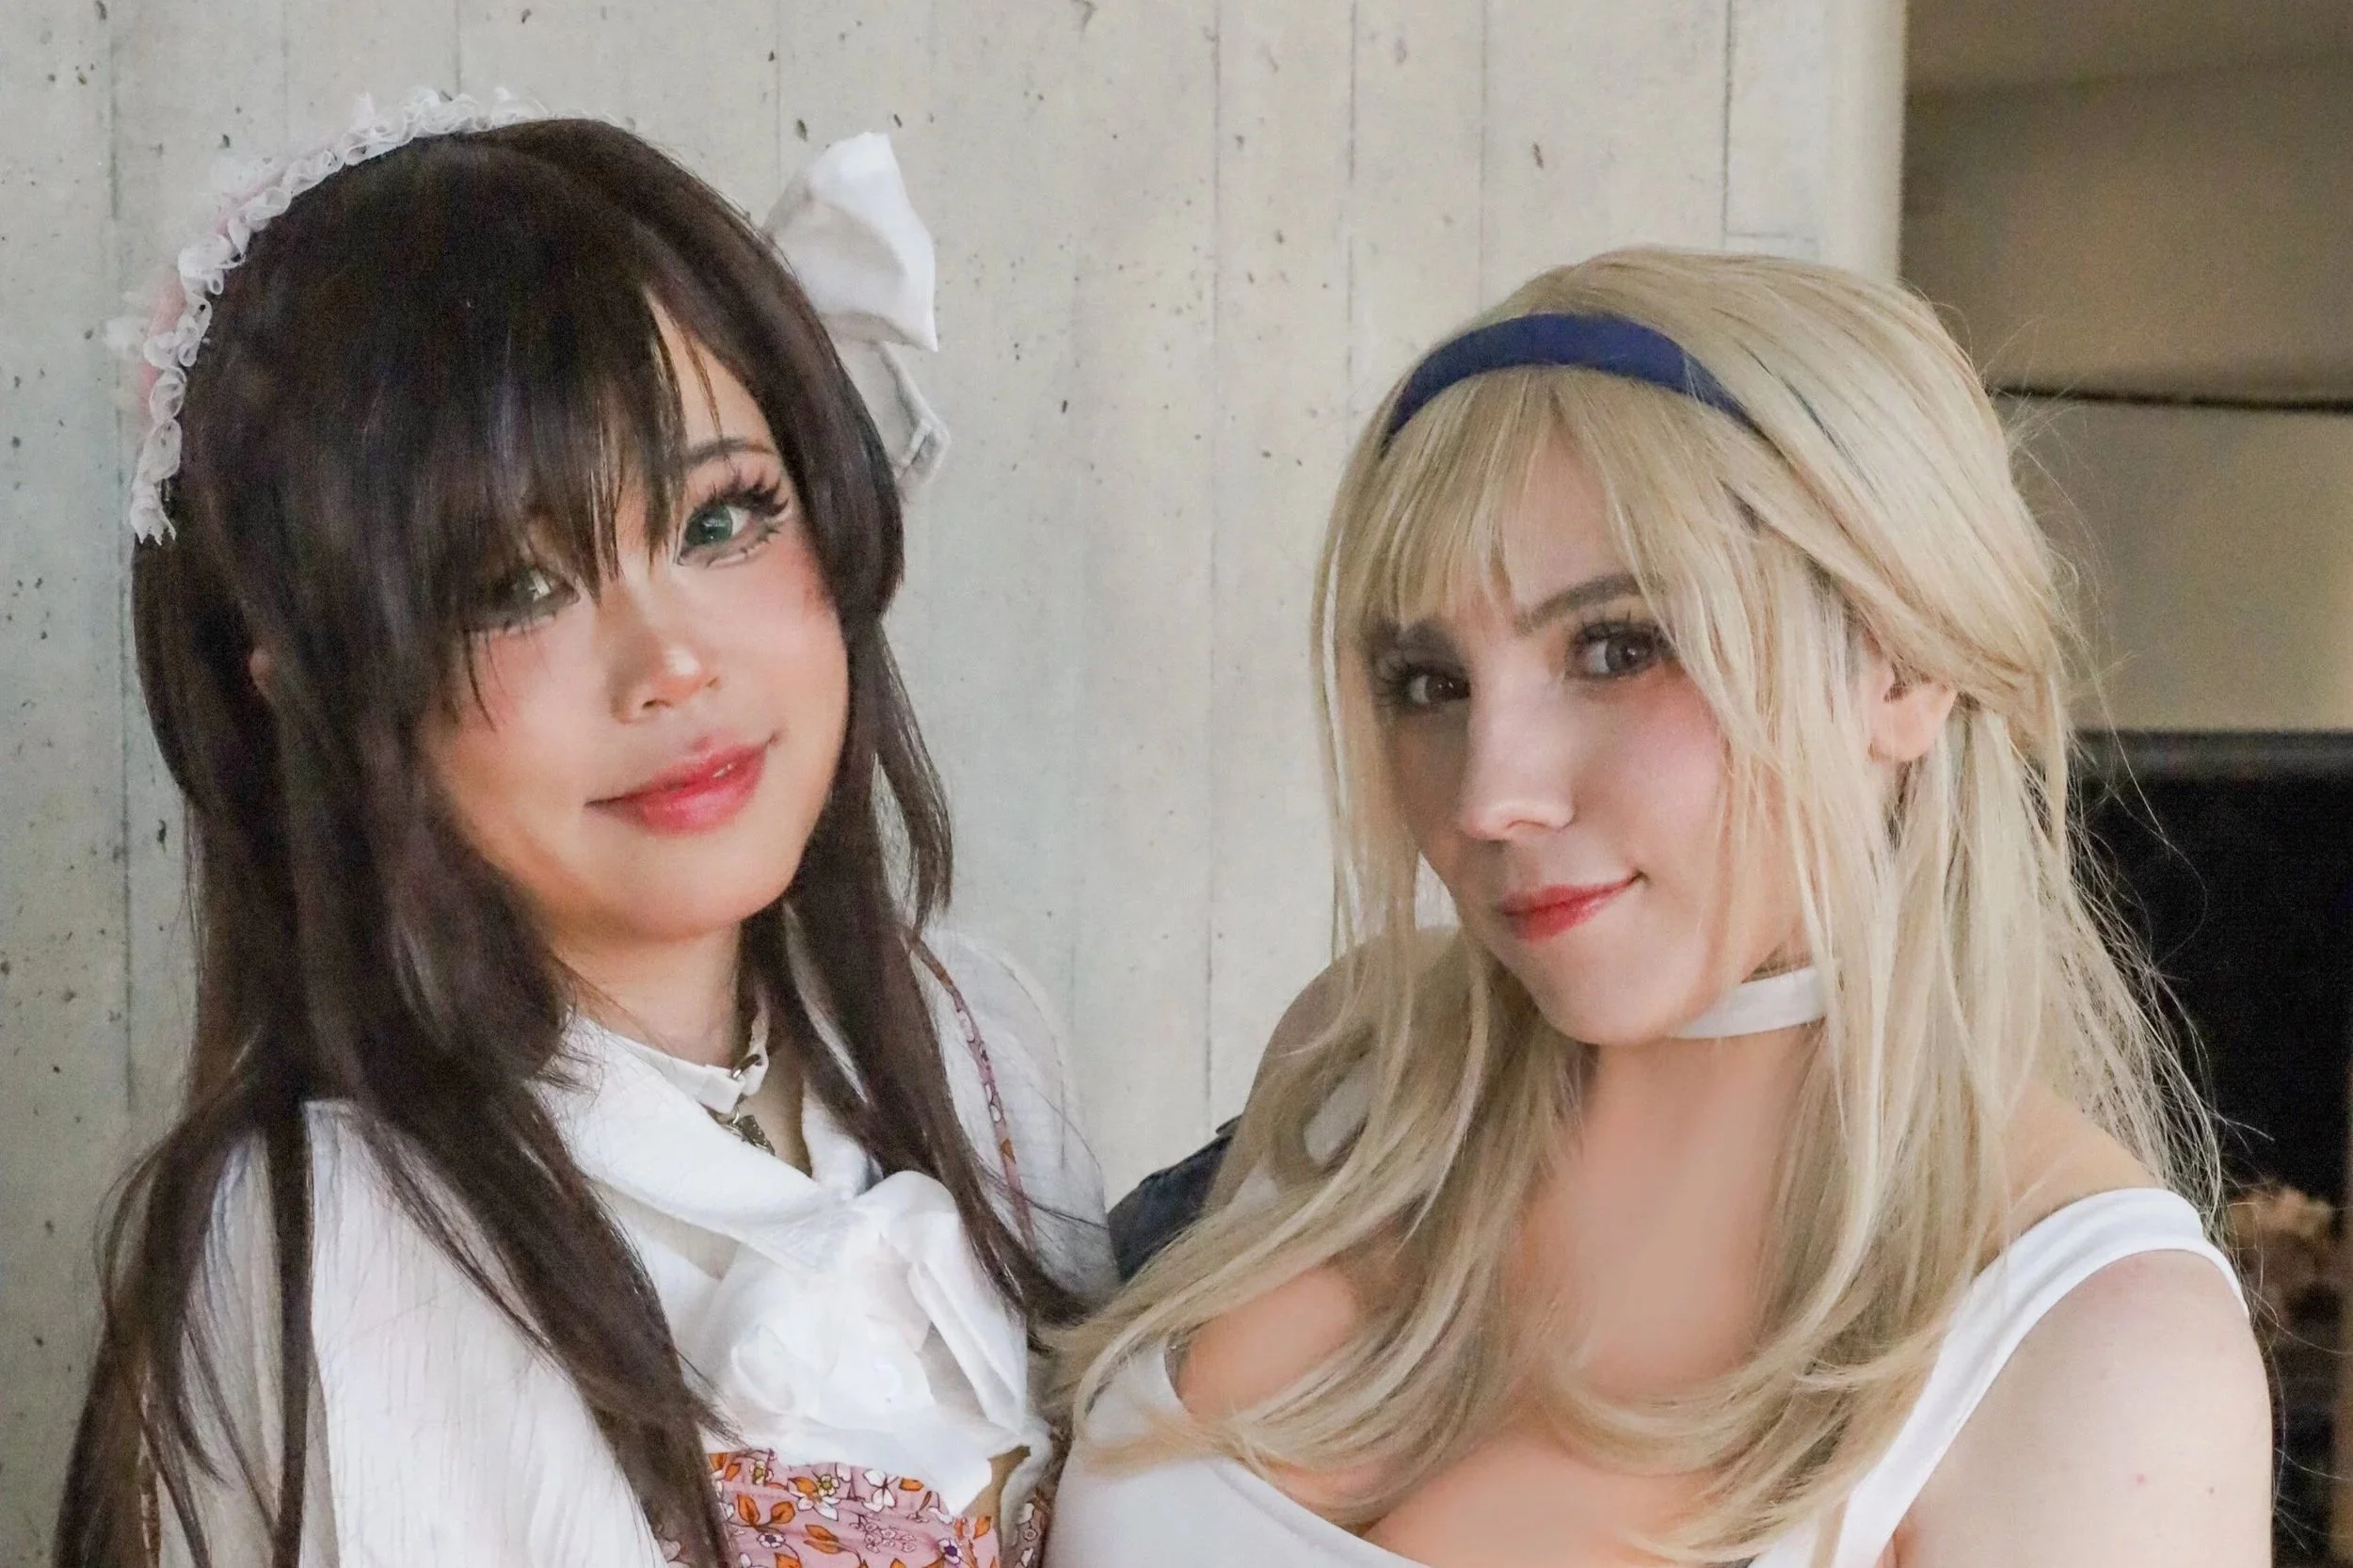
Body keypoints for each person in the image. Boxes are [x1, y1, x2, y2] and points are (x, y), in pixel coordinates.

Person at [1050, 249, 2269, 1568]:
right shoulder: (1360, 1066)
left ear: (1905, 665)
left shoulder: (2095, 1346)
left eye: (1620, 646)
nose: (1489, 793)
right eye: (1427, 680)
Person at [59, 92, 1111, 1568]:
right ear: (319, 693)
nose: (671, 661)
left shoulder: (979, 1048)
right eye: (515, 585)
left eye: (724, 519)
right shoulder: (331, 1239)